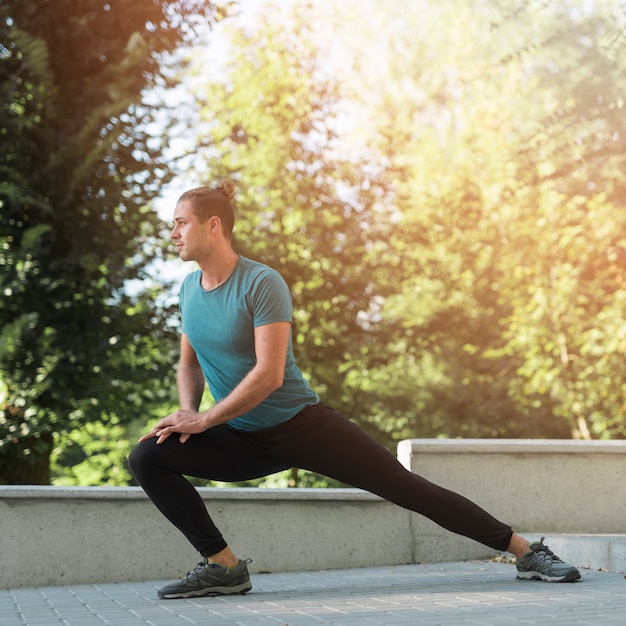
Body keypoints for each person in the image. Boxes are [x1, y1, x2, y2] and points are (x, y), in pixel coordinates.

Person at [129, 180, 581, 600]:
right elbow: (189, 363)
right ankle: (223, 566)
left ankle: (525, 550)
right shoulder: (189, 289)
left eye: (179, 222)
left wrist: (205, 418)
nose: (172, 233)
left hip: (299, 426)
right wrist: (188, 414)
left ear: (213, 225)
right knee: (149, 456)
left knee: (405, 488)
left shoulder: (261, 283)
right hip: (238, 433)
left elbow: (268, 374)